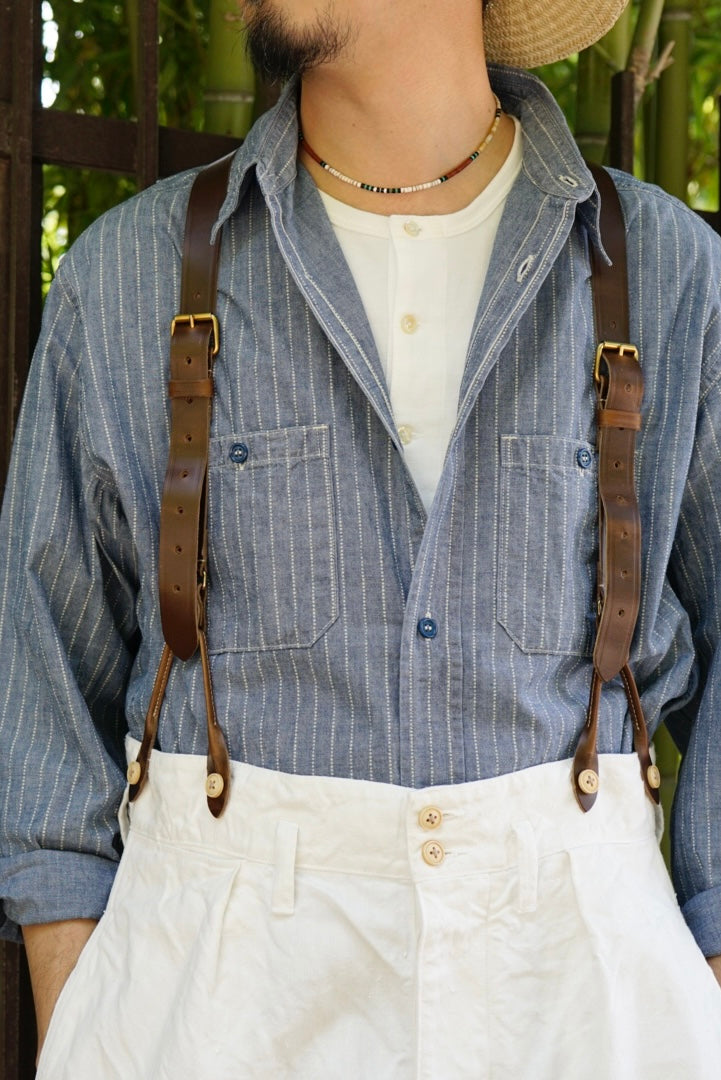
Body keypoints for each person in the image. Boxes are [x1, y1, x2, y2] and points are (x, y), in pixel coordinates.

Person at [1, 0, 720, 1075]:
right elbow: (43, 685)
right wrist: (86, 1014)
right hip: (206, 1022)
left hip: (584, 1014)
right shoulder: (126, 281)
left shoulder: (667, 273)